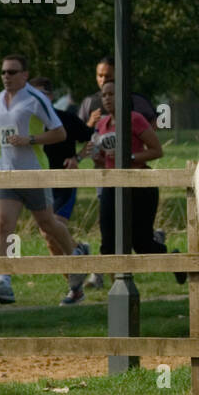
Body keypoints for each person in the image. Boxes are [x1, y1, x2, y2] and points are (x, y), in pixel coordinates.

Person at [0, 55, 87, 306]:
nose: (7, 76)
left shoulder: (35, 99)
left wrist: (30, 140)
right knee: (4, 224)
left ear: (25, 75)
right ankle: (3, 282)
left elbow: (59, 133)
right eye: (4, 72)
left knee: (47, 225)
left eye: (12, 72)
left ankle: (76, 255)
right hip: (6, 171)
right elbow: (5, 134)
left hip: (33, 171)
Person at [67, 81, 184, 283]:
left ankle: (177, 262)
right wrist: (99, 159)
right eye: (104, 95)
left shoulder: (134, 119)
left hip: (139, 185)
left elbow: (157, 150)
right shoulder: (102, 124)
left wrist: (127, 157)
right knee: (108, 243)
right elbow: (104, 157)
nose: (107, 98)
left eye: (112, 94)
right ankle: (117, 288)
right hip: (112, 186)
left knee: (142, 243)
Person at [28, 76, 93, 278]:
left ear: (51, 96)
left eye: (41, 96)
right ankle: (73, 278)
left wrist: (78, 158)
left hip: (63, 181)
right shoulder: (28, 123)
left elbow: (94, 138)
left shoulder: (66, 119)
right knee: (47, 235)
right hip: (39, 182)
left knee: (54, 227)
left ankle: (78, 270)